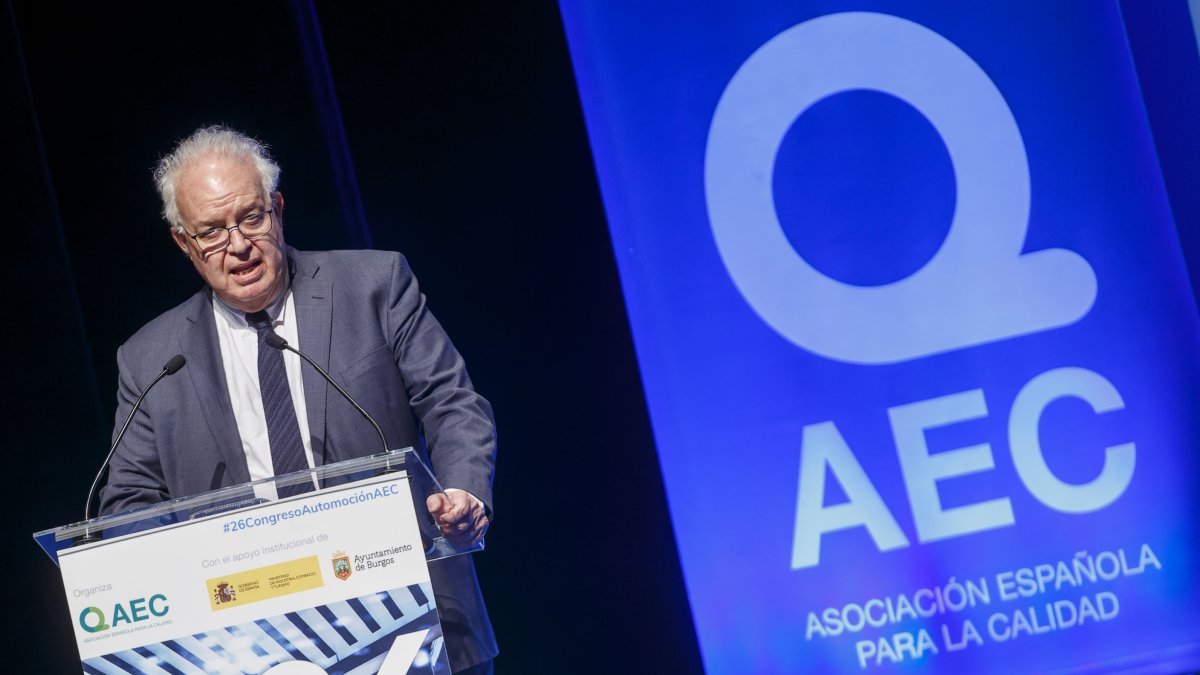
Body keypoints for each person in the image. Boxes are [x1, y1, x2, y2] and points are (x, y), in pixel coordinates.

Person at [99, 125, 498, 674]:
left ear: (278, 208)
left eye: (250, 218)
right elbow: (127, 502)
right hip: (253, 643)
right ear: (183, 243)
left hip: (413, 617)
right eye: (212, 231)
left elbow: (451, 402)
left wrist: (461, 493)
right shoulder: (150, 359)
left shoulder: (373, 285)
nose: (237, 244)